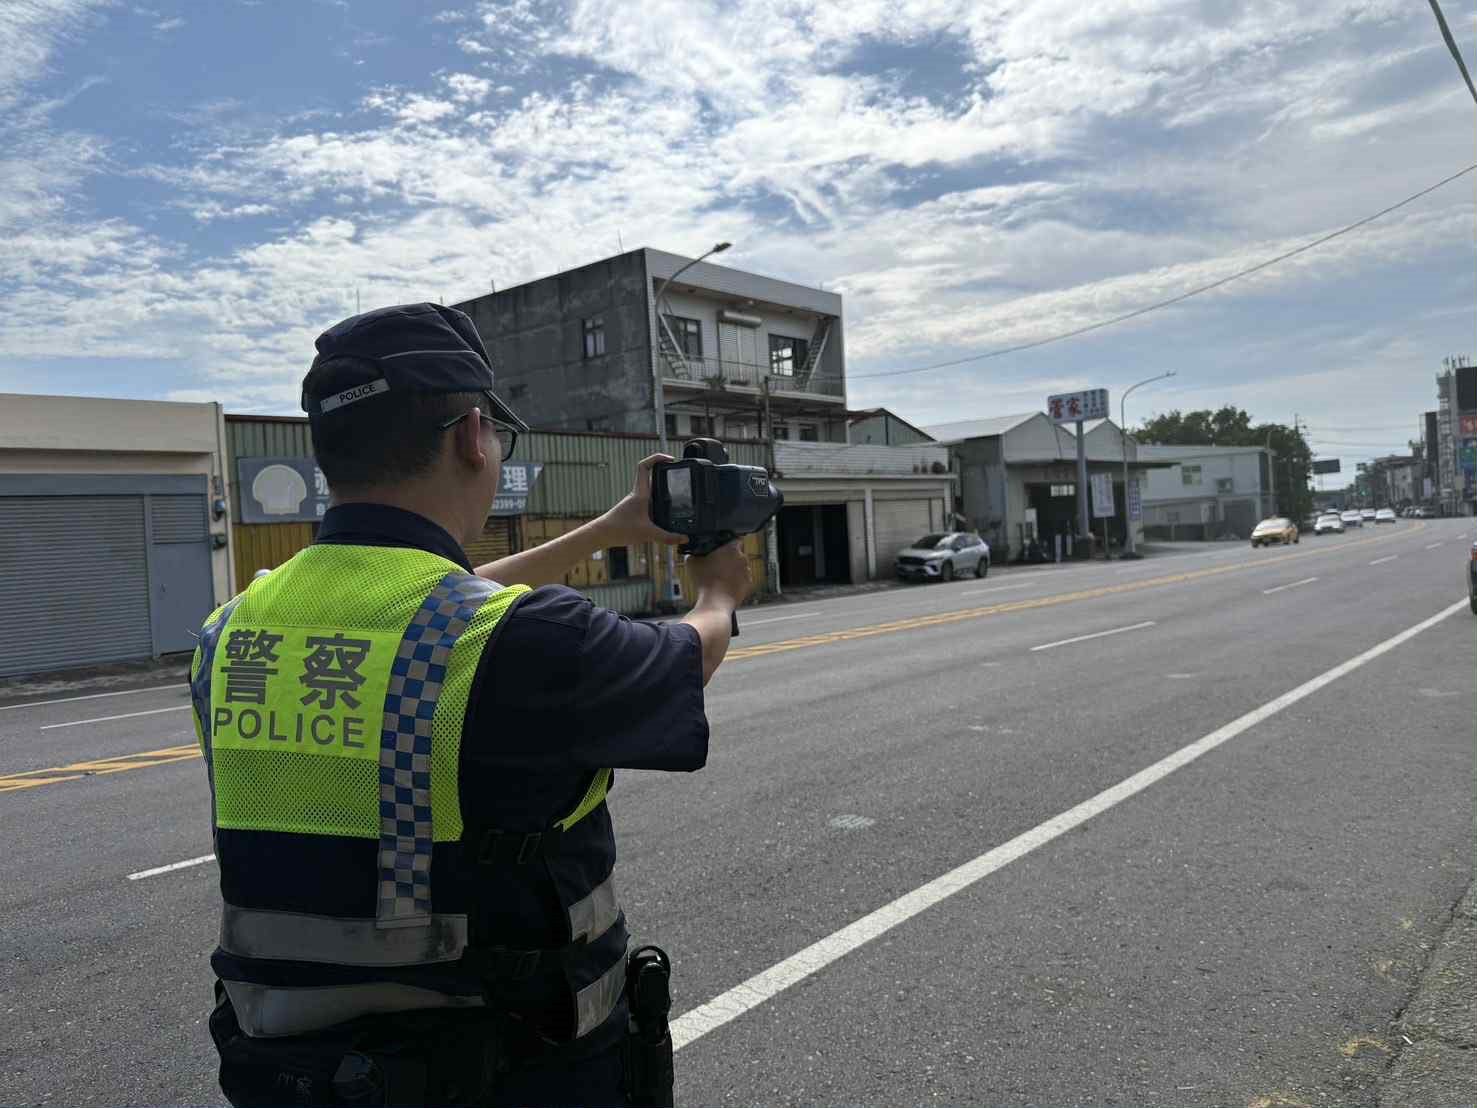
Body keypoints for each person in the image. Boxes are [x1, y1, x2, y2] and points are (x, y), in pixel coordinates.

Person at [188, 302, 752, 1106]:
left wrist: (607, 528)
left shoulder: (232, 629)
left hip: (287, 1070)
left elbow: (436, 607)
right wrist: (718, 595)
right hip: (508, 1071)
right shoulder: (527, 641)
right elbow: (683, 657)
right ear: (473, 436)